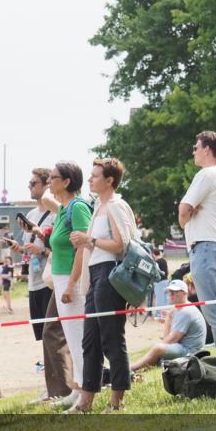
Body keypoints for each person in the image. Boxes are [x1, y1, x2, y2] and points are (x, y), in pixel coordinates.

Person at [68, 158, 139, 413]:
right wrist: (85, 242)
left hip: (111, 274)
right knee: (91, 340)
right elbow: (97, 243)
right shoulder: (98, 207)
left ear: (109, 180)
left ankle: (117, 401)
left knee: (111, 338)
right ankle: (85, 401)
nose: (90, 179)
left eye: (95, 175)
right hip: (96, 273)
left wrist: (90, 239)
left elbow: (122, 245)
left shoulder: (116, 206)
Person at [34, 162, 92, 410]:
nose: (49, 182)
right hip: (60, 278)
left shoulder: (77, 207)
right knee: (70, 335)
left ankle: (84, 391)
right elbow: (47, 198)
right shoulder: (64, 208)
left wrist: (71, 284)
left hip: (72, 279)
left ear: (67, 182)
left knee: (78, 338)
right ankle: (76, 388)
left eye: (54, 178)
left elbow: (82, 248)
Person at [16, 167, 71, 402]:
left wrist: (42, 248)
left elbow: (61, 246)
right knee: (45, 336)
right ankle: (52, 386)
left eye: (34, 183)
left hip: (53, 279)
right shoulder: (32, 212)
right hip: (36, 279)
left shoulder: (58, 212)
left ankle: (65, 387)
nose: (30, 187)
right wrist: (20, 249)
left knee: (57, 334)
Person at [179, 131, 216, 362]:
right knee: (215, 305)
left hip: (207, 247)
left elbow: (183, 211)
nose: (193, 151)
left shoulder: (207, 173)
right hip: (212, 247)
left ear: (207, 150)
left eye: (196, 147)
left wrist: (187, 217)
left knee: (214, 307)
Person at [130, 280, 208, 370]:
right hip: (185, 348)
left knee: (158, 348)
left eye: (174, 292)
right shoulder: (179, 309)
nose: (171, 294)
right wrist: (168, 318)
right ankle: (142, 364)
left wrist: (156, 349)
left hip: (191, 352)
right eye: (169, 292)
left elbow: (172, 339)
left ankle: (132, 368)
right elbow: (168, 338)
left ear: (184, 293)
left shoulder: (185, 311)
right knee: (158, 349)